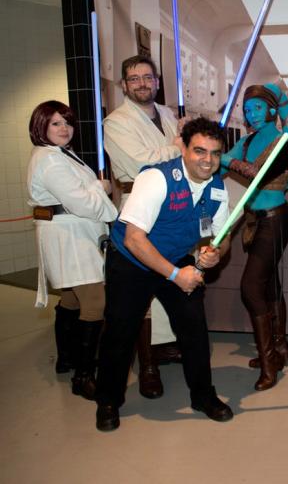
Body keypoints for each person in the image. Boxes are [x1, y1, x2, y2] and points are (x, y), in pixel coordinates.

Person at [95, 117, 233, 431]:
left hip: (174, 257)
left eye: (214, 153)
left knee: (194, 328)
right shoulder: (157, 179)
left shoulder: (217, 189)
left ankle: (203, 396)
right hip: (131, 260)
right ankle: (108, 400)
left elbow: (220, 238)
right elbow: (133, 238)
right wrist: (175, 275)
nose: (207, 160)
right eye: (199, 150)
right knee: (121, 331)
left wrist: (214, 255)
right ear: (183, 147)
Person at [103, 55, 183, 399]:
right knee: (139, 293)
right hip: (139, 208)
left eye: (147, 78)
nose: (141, 84)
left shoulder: (167, 115)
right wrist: (175, 148)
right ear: (124, 85)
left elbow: (180, 156)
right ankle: (147, 364)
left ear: (157, 81)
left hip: (172, 208)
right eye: (133, 79)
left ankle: (163, 347)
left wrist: (175, 147)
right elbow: (140, 163)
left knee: (168, 279)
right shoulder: (115, 122)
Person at [26, 101, 118, 400]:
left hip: (69, 232)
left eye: (66, 122)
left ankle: (66, 360)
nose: (64, 129)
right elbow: (85, 203)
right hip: (69, 235)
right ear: (40, 126)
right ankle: (84, 375)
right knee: (95, 302)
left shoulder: (58, 154)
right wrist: (101, 189)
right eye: (55, 123)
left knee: (70, 298)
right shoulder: (51, 160)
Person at [220, 84, 288, 391]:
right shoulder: (249, 139)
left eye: (257, 108)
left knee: (251, 287)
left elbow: (258, 174)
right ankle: (279, 350)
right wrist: (220, 156)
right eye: (247, 109)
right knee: (269, 286)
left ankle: (269, 365)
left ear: (272, 111)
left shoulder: (283, 143)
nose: (251, 114)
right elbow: (225, 159)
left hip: (275, 222)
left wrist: (230, 161)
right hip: (257, 221)